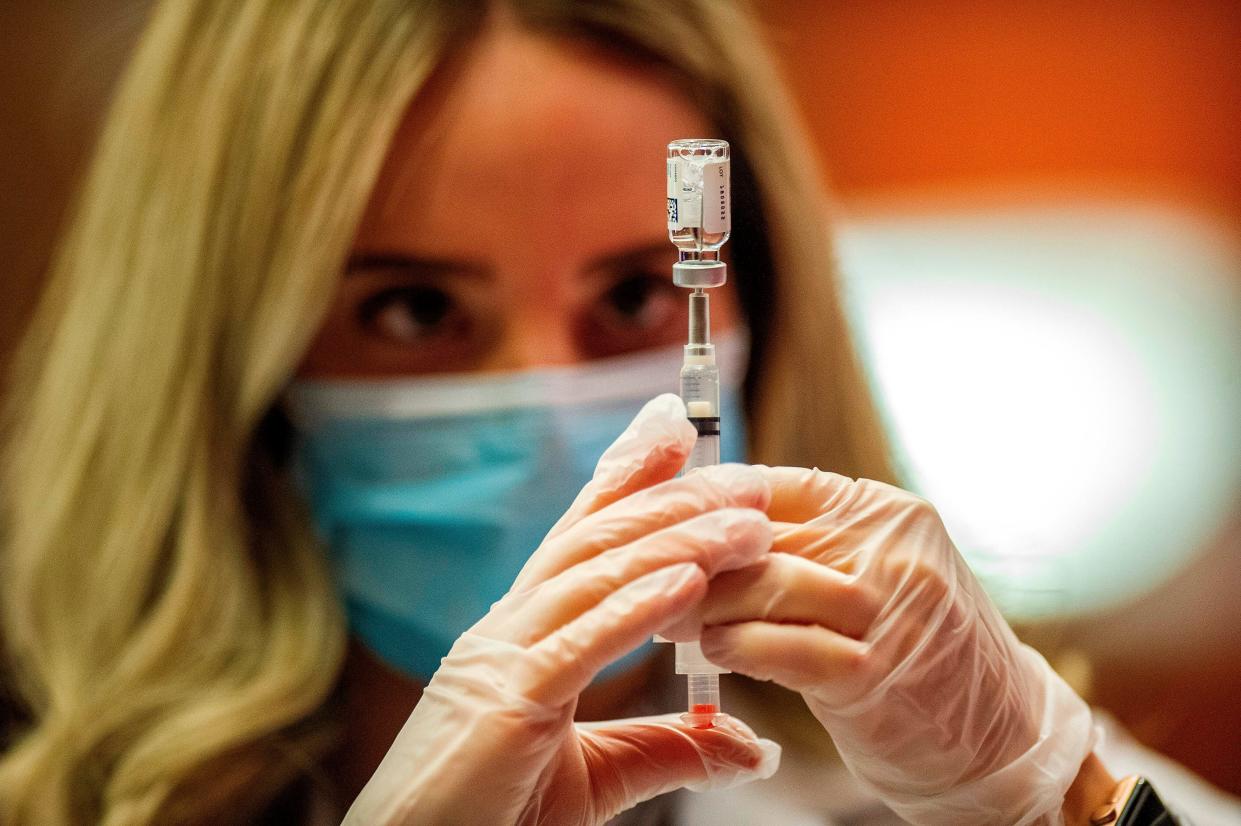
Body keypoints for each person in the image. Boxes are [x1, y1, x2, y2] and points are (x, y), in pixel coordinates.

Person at [1, 1, 1237, 824]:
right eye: (416, 311)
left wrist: (1051, 794)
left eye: (639, 292)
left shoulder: (971, 782)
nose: (558, 410)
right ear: (229, 371)